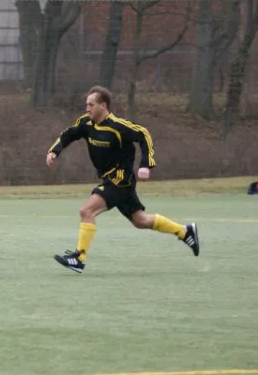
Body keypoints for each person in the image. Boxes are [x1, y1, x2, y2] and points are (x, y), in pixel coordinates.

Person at [46, 85, 199, 273]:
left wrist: (145, 164)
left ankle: (79, 258)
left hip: (120, 179)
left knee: (86, 211)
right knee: (140, 221)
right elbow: (68, 134)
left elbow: (143, 134)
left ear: (103, 105)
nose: (87, 109)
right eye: (86, 104)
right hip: (112, 181)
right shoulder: (86, 123)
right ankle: (184, 231)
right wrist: (54, 151)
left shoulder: (118, 127)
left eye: (91, 105)